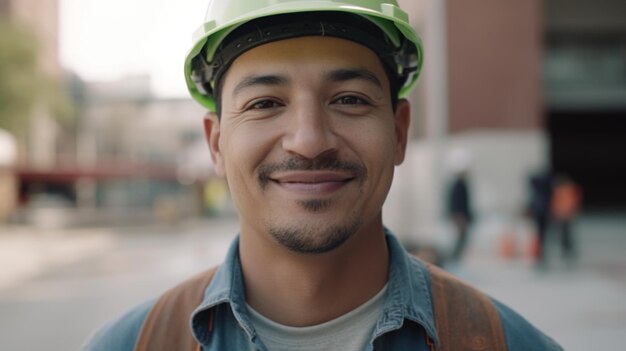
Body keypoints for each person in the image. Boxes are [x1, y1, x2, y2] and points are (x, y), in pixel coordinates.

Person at [82, 1, 562, 350]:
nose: (309, 140)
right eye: (265, 103)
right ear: (216, 144)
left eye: (350, 99)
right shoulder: (130, 345)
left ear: (398, 133)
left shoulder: (506, 343)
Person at [446, 149, 474, 263]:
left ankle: (455, 259)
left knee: (461, 241)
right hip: (461, 218)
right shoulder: (459, 185)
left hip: (462, 217)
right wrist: (460, 219)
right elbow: (458, 203)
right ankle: (454, 260)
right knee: (460, 240)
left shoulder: (460, 184)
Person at [551, 175, 582, 263]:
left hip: (565, 213)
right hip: (563, 213)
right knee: (564, 233)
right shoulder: (567, 189)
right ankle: (566, 248)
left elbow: (573, 201)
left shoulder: (565, 189)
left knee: (566, 233)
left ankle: (568, 248)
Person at [527, 169, 553, 266]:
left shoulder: (541, 190)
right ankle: (539, 251)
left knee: (541, 233)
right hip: (542, 213)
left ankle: (540, 251)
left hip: (542, 213)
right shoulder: (544, 190)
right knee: (541, 233)